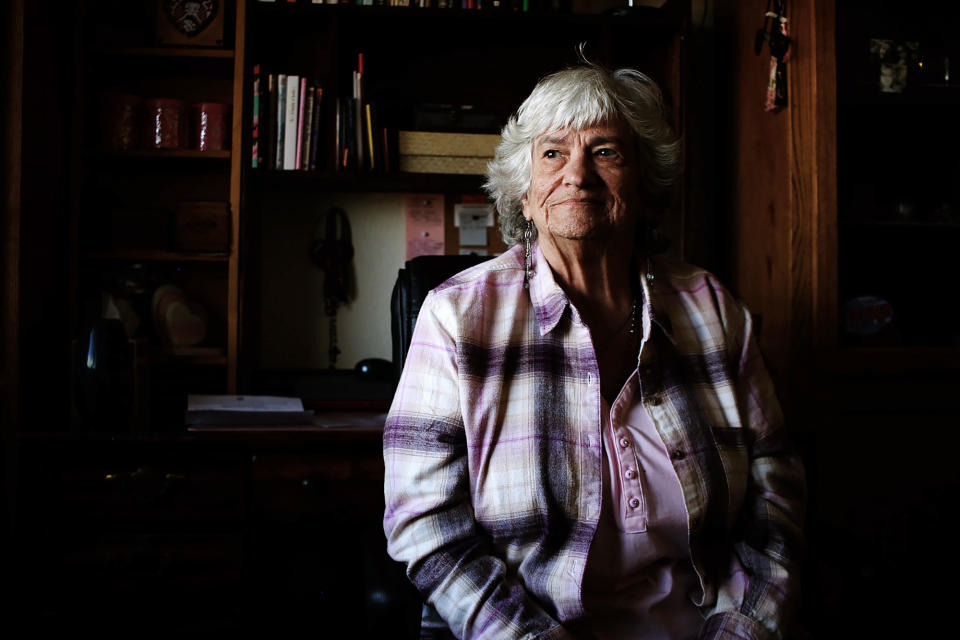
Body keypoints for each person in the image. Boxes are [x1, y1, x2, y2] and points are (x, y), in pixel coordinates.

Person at [383, 59, 806, 640]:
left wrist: (740, 630)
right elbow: (425, 526)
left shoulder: (712, 310)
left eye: (606, 151)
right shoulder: (458, 316)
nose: (577, 175)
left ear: (645, 185)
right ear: (524, 196)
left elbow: (775, 500)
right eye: (553, 154)